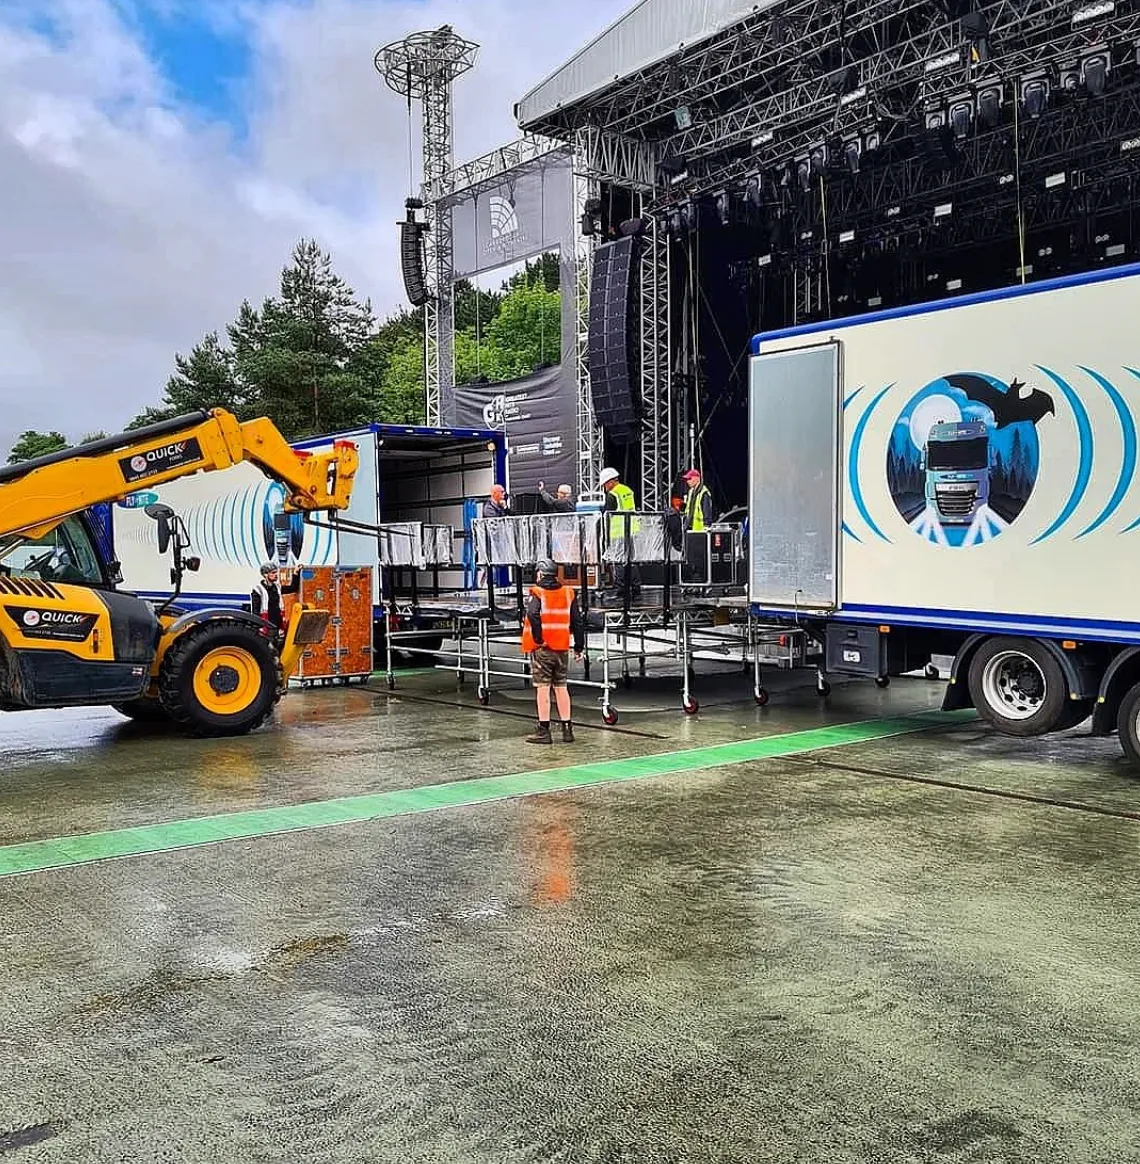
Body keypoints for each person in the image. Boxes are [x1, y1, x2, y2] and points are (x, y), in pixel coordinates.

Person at [521, 559, 585, 745]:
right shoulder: (568, 593)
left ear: (540, 573)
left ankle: (543, 730)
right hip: (562, 649)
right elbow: (577, 621)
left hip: (543, 649)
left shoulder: (537, 592)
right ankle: (567, 729)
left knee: (543, 688)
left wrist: (539, 639)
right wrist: (579, 646)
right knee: (561, 687)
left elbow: (533, 614)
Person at [599, 467, 641, 598]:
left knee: (618, 561)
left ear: (610, 482)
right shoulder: (627, 490)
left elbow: (607, 514)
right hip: (631, 530)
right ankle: (636, 587)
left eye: (605, 484)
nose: (605, 487)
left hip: (618, 532)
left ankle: (621, 589)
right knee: (630, 560)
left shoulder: (613, 494)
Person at [251, 562, 299, 638]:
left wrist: (295, 573)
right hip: (266, 624)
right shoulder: (258, 589)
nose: (276, 574)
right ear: (265, 575)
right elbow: (255, 610)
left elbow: (293, 588)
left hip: (278, 624)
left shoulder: (277, 587)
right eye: (273, 573)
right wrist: (258, 627)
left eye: (276, 572)